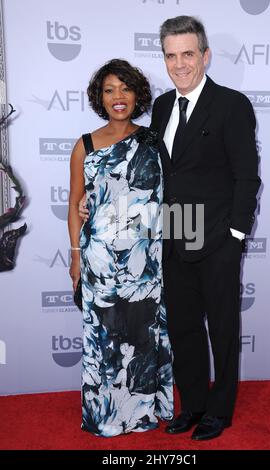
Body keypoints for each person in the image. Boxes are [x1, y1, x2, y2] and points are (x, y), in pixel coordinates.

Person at [149, 16, 261, 440]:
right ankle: (193, 404)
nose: (180, 64)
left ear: (205, 55)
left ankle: (220, 409)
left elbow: (247, 176)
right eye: (171, 55)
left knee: (223, 329)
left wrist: (235, 235)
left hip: (216, 239)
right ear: (165, 58)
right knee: (182, 329)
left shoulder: (232, 105)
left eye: (188, 54)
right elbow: (157, 173)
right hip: (174, 236)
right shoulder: (161, 106)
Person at [68, 58, 173, 437]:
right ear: (100, 96)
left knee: (142, 338)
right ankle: (105, 415)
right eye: (109, 89)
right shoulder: (84, 145)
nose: (118, 97)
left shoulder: (152, 140)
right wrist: (76, 259)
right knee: (104, 342)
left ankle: (142, 413)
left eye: (125, 89)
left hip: (144, 261)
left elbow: (167, 195)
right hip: (99, 259)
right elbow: (74, 205)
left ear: (137, 95)